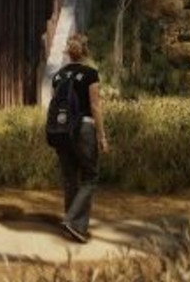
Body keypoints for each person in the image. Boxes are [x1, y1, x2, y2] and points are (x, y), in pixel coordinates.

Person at [51, 35, 108, 243]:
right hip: (83, 127)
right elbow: (95, 106)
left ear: (69, 52)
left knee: (69, 179)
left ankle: (74, 228)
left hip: (61, 130)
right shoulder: (90, 74)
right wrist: (101, 135)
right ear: (85, 52)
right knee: (90, 176)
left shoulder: (58, 76)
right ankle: (73, 221)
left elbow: (55, 106)